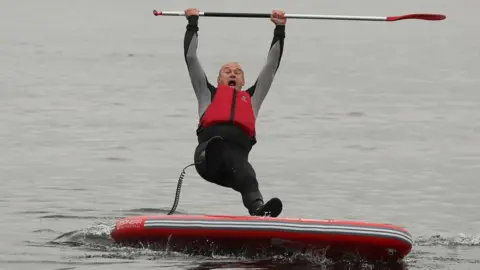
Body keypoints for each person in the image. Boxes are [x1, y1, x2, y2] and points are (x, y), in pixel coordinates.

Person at [183, 8, 286, 217]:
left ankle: (259, 211)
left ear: (243, 81)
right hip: (207, 160)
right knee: (218, 147)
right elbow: (191, 58)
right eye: (227, 71)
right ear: (219, 79)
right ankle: (214, 155)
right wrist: (192, 22)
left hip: (234, 169)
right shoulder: (206, 93)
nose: (233, 74)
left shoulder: (252, 99)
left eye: (237, 72)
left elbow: (271, 66)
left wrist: (280, 29)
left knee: (247, 174)